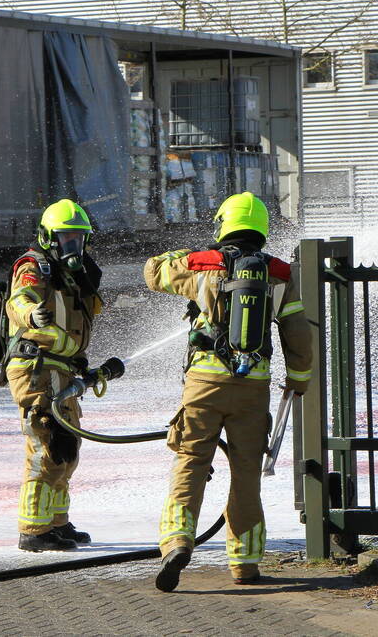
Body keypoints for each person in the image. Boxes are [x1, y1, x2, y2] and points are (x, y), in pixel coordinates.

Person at [143, 191, 313, 590]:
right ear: (262, 229)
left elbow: (153, 272)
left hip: (204, 383)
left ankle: (177, 542)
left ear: (224, 225)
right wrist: (299, 378)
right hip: (253, 388)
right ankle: (246, 563)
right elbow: (297, 335)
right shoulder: (280, 274)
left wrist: (192, 250)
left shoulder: (205, 263)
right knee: (246, 473)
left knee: (191, 459)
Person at [4, 199, 104, 552]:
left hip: (62, 368)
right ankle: (33, 530)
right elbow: (19, 299)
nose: (72, 246)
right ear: (48, 237)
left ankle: (57, 523)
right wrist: (32, 315)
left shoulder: (76, 274)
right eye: (65, 238)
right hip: (35, 368)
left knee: (68, 448)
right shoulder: (34, 266)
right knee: (45, 446)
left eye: (79, 238)